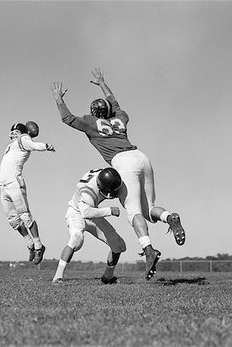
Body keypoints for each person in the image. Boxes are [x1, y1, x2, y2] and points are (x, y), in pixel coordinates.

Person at [51, 69, 186, 280]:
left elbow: (67, 118)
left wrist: (58, 99)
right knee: (150, 210)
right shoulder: (120, 119)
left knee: (134, 213)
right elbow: (116, 104)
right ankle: (170, 217)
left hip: (123, 162)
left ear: (94, 112)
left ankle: (148, 250)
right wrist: (103, 83)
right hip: (142, 157)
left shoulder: (89, 121)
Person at [52, 168, 126, 284]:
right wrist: (109, 210)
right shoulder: (88, 191)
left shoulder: (106, 176)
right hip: (77, 213)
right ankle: (57, 277)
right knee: (77, 239)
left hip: (93, 212)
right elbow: (86, 213)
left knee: (118, 245)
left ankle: (108, 277)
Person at [0, 122, 55, 265]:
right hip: (4, 186)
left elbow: (34, 145)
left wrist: (46, 146)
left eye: (16, 131)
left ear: (22, 132)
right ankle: (29, 243)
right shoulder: (11, 145)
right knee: (13, 220)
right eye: (12, 131)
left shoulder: (23, 140)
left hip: (14, 183)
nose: (13, 133)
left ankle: (38, 246)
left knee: (25, 216)